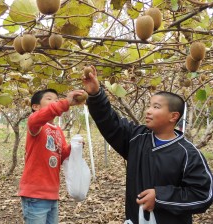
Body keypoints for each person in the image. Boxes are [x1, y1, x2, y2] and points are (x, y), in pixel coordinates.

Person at [82, 66, 213, 224]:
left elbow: (203, 194)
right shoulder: (137, 137)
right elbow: (111, 123)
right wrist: (96, 95)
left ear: (173, 116)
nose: (148, 111)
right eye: (149, 105)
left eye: (156, 107)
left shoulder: (188, 154)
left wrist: (160, 197)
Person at [18, 88, 85, 224]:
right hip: (35, 194)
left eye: (56, 99)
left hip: (52, 194)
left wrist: (73, 147)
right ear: (35, 107)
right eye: (49, 99)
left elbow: (60, 155)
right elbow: (44, 115)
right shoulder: (35, 124)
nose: (54, 102)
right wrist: (65, 102)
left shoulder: (58, 130)